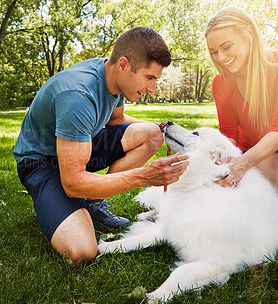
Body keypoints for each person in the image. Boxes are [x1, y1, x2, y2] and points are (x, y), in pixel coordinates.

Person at [13, 27, 189, 265]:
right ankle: (56, 198)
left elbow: (116, 120)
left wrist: (156, 126)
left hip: (80, 146)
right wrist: (144, 176)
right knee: (82, 251)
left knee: (152, 135)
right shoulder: (78, 96)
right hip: (42, 162)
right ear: (124, 65)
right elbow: (73, 182)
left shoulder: (113, 78)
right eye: (149, 78)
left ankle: (95, 202)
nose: (151, 89)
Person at [205, 7, 278, 189]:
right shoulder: (221, 82)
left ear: (249, 34)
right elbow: (229, 134)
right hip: (248, 153)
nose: (221, 57)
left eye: (227, 47)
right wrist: (215, 156)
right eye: (214, 51)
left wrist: (244, 163)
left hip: (261, 157)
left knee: (264, 165)